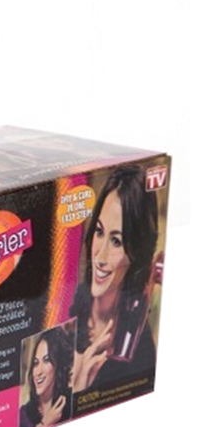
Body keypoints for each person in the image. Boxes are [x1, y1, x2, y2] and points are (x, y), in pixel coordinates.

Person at [70, 166, 159, 391]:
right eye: (99, 232)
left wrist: (79, 393)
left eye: (117, 241)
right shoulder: (68, 304)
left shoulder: (139, 351)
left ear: (136, 254)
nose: (100, 257)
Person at [18, 327, 74, 427]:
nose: (38, 372)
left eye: (46, 360)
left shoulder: (70, 403)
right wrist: (46, 424)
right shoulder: (24, 415)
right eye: (35, 363)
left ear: (59, 365)